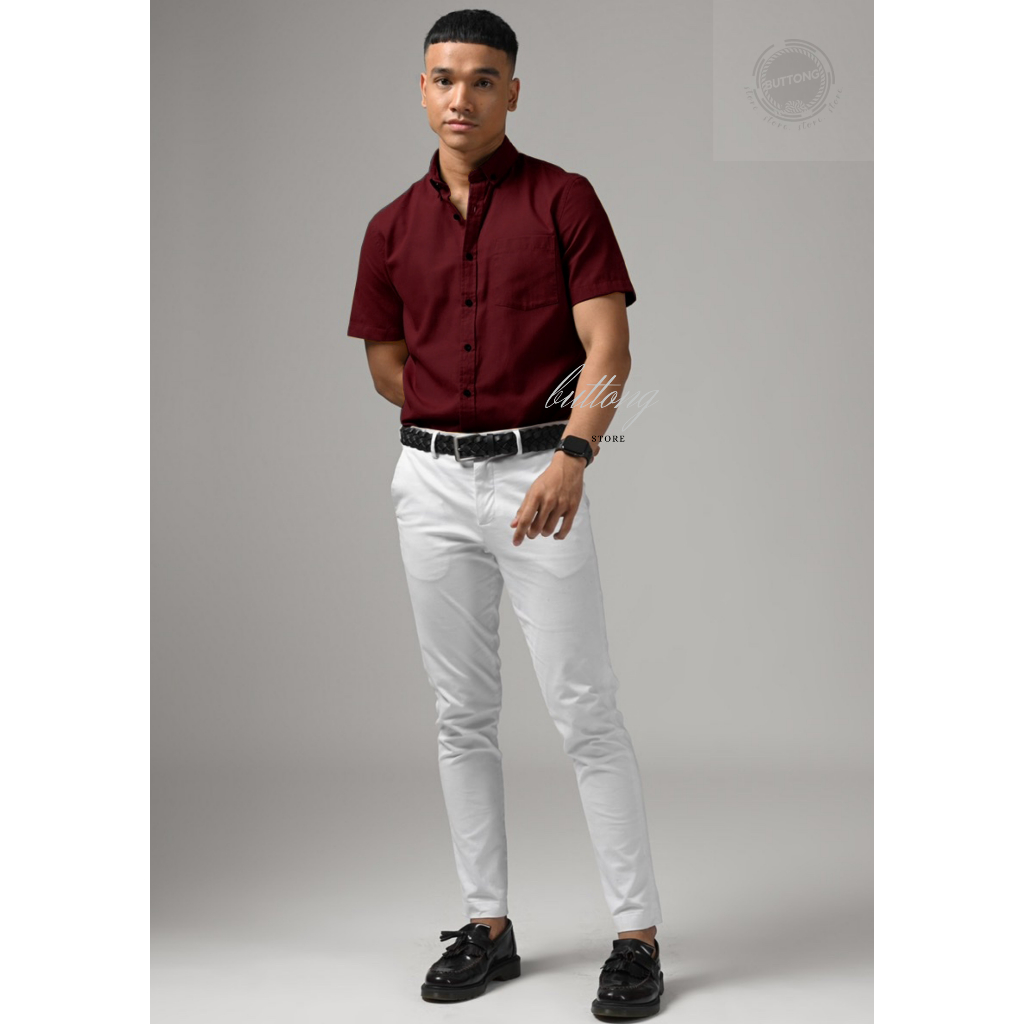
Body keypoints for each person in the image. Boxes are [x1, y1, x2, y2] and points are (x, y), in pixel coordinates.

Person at [346, 9, 665, 1018]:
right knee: (461, 713)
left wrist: (570, 454)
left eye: (483, 80)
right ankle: (487, 926)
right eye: (444, 78)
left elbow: (609, 351)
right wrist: (456, 428)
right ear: (422, 88)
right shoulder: (389, 228)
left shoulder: (564, 199)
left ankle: (636, 937)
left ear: (512, 92)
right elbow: (387, 366)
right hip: (430, 483)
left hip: (541, 475)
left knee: (585, 708)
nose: (462, 97)